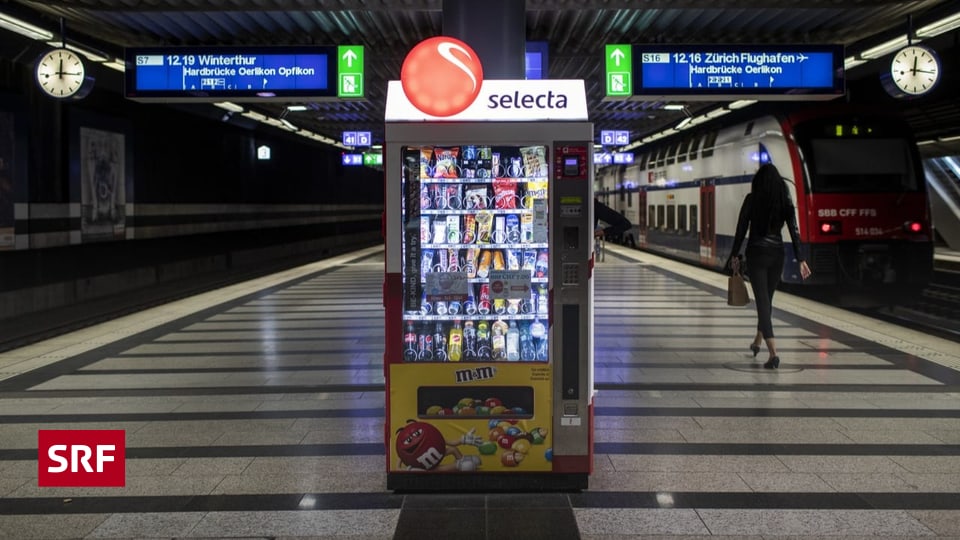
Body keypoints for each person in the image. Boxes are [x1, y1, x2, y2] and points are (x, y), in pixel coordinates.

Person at [724, 163, 811, 369]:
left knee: (763, 303)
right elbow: (794, 230)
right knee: (767, 301)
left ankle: (773, 354)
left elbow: (741, 228)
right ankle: (757, 341)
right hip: (777, 255)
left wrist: (734, 254)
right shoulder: (784, 200)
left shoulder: (752, 200)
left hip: (757, 255)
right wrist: (800, 258)